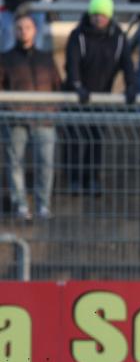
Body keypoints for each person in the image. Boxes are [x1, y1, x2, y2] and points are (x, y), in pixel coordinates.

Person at [63, 0, 136, 194]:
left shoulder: (118, 38)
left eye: (102, 14)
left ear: (109, 16)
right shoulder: (78, 35)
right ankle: (74, 178)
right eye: (95, 14)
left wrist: (131, 86)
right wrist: (77, 86)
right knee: (75, 139)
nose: (98, 18)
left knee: (95, 139)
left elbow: (127, 64)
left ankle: (92, 178)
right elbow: (72, 64)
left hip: (101, 96)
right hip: (77, 98)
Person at [1, 13, 61, 220]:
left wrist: (52, 109)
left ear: (35, 30)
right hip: (16, 119)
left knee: (45, 162)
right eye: (19, 28)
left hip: (43, 118)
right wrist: (11, 109)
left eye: (27, 27)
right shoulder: (6, 59)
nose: (23, 31)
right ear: (14, 31)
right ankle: (21, 206)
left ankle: (43, 205)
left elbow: (57, 85)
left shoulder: (46, 58)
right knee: (15, 162)